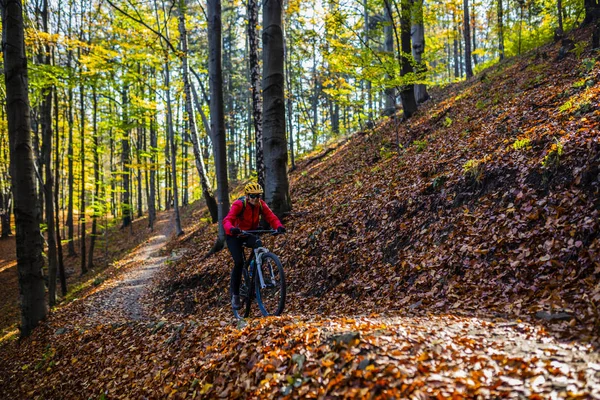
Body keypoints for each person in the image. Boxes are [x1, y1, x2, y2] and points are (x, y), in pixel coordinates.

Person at [223, 182, 285, 309]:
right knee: (239, 263)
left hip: (249, 234)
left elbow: (271, 217)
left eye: (258, 196)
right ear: (247, 196)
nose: (256, 199)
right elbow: (227, 220)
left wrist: (278, 226)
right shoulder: (239, 204)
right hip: (234, 235)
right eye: (253, 196)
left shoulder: (261, 205)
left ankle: (255, 271)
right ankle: (235, 295)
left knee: (259, 245)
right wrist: (232, 229)